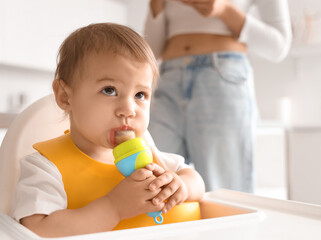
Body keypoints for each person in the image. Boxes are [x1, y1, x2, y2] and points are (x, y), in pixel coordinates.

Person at [10, 23, 205, 238]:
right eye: (109, 90)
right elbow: (38, 230)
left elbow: (196, 180)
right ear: (65, 97)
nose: (128, 110)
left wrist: (182, 186)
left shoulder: (150, 155)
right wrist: (113, 208)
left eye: (140, 95)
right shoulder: (46, 168)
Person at [144, 0, 292, 192]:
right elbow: (150, 51)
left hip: (222, 76)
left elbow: (278, 45)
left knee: (225, 190)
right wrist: (156, 7)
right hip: (168, 78)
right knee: (151, 181)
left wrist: (225, 10)